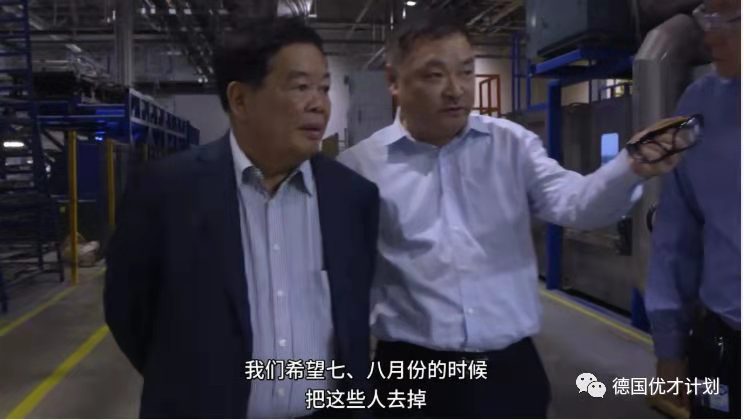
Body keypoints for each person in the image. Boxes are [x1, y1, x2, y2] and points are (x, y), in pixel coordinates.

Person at [338, 12, 686, 418]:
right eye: (434, 75)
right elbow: (341, 279)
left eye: (466, 72)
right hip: (413, 371)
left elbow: (574, 203)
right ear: (394, 81)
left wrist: (631, 167)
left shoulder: (511, 145)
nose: (456, 90)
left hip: (509, 368)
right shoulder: (361, 168)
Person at [104, 17, 380, 418]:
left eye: (323, 88)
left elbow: (353, 323)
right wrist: (191, 386)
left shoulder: (353, 198)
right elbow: (129, 312)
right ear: (240, 100)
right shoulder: (165, 192)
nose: (319, 104)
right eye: (301, 87)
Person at [645, 0, 740, 417]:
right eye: (706, 16)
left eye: (730, 18)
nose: (710, 35)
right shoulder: (698, 107)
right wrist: (669, 348)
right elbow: (675, 230)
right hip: (724, 341)